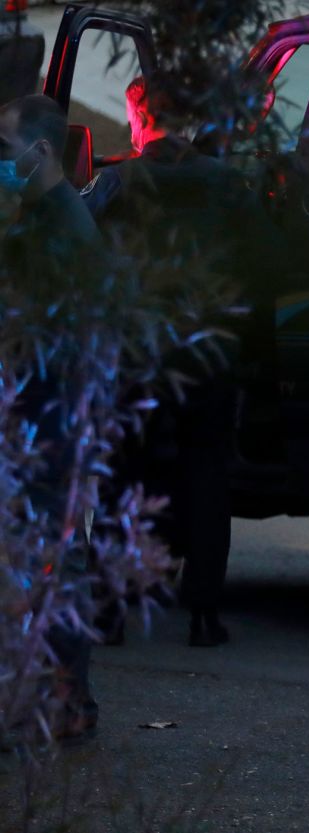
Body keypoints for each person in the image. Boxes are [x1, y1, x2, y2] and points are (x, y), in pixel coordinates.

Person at [83, 75, 279, 647]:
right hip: (207, 353)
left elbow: (76, 246)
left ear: (139, 119)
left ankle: (111, 609)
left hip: (133, 354)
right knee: (207, 476)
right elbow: (271, 258)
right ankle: (203, 614)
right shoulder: (227, 184)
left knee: (122, 478)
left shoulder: (117, 182)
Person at [0, 93, 104, 742]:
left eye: (5, 149)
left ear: (40, 152)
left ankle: (62, 704)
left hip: (47, 424)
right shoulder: (45, 220)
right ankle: (67, 701)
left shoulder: (60, 232)